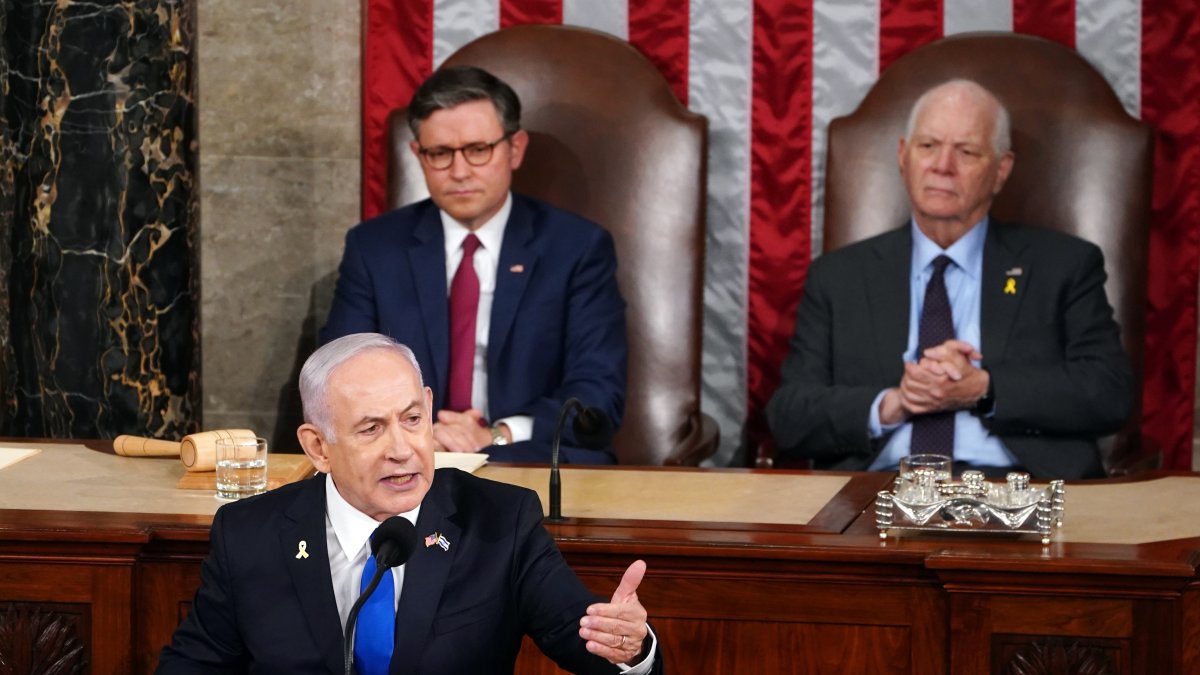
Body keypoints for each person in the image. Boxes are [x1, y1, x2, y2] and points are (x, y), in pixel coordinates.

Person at [157, 333, 660, 674]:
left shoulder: (499, 522)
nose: (402, 448)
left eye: (413, 419)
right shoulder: (250, 535)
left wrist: (631, 647)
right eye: (371, 428)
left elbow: (588, 640)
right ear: (317, 447)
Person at [765, 79, 1133, 480]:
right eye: (928, 146)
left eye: (967, 151)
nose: (942, 165)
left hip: (1022, 492)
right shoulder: (839, 276)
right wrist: (893, 404)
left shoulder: (1063, 265)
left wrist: (984, 389)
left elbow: (1108, 393)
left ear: (1000, 169)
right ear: (903, 157)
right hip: (875, 494)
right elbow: (789, 416)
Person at [320, 66, 626, 465]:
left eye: (478, 150)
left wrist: (495, 435)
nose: (460, 171)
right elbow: (338, 379)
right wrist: (420, 430)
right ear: (418, 155)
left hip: (533, 460)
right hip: (407, 460)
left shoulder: (577, 248)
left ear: (515, 149)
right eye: (440, 154)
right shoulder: (375, 248)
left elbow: (597, 397)